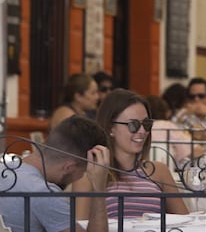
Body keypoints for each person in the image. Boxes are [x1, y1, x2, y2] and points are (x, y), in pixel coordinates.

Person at [0, 116, 110, 232]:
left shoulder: (5, 170)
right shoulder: (44, 193)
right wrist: (99, 188)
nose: (80, 177)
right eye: (84, 172)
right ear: (69, 167)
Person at [73, 88, 188, 219]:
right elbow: (79, 228)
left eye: (146, 124)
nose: (142, 131)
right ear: (111, 128)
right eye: (133, 125)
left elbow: (186, 222)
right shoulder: (89, 173)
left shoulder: (159, 171)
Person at [147, 95, 204, 169]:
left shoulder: (139, 127)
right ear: (166, 112)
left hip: (140, 173)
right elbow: (196, 150)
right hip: (166, 173)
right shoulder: (167, 126)